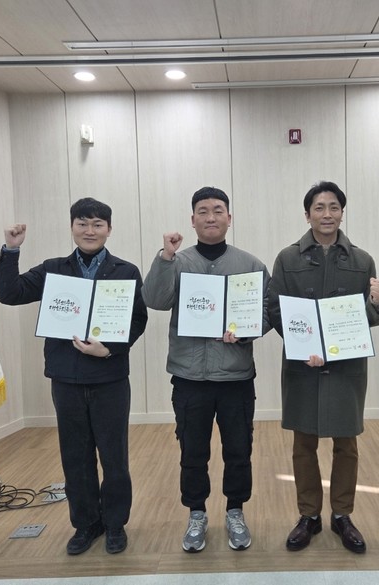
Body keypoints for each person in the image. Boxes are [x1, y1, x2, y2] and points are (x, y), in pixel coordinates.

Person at [0, 197, 148, 556]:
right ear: (72, 227)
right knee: (75, 458)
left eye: (97, 224)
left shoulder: (125, 271)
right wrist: (11, 250)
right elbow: (10, 293)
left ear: (109, 229)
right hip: (66, 378)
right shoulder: (53, 269)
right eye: (82, 223)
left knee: (114, 457)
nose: (89, 230)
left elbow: (138, 319)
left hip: (110, 377)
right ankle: (86, 524)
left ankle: (115, 524)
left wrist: (109, 349)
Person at [142, 186, 270, 553]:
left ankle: (235, 511)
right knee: (193, 451)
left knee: (239, 450)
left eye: (217, 210)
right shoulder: (177, 261)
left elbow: (266, 312)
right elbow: (154, 299)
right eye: (203, 211)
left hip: (235, 376)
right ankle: (196, 513)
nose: (210, 217)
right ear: (192, 219)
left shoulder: (250, 265)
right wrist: (165, 256)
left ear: (229, 218)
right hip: (189, 377)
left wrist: (246, 332)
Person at [268, 181, 379, 554]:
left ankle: (342, 515)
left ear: (342, 212)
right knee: (303, 444)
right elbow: (276, 309)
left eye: (334, 207)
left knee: (346, 444)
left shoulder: (361, 260)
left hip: (345, 367)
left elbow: (368, 317)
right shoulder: (287, 259)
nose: (327, 214)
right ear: (307, 215)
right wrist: (306, 345)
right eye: (319, 207)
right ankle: (309, 515)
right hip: (303, 366)